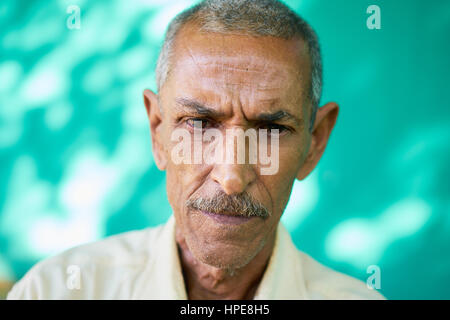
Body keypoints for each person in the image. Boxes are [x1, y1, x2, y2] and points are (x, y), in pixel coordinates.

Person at [7, 0, 384, 300]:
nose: (232, 177)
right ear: (158, 132)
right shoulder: (56, 292)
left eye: (271, 129)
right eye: (200, 124)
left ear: (314, 142)